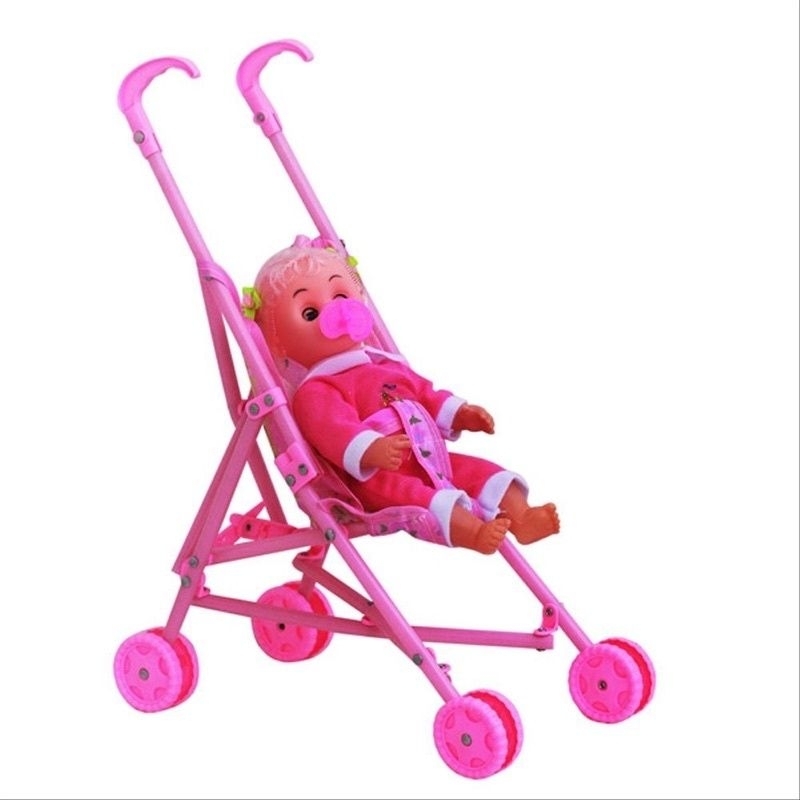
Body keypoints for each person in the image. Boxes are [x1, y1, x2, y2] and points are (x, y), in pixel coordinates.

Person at [249, 237, 559, 555]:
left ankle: (522, 516)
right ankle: (474, 533)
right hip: (375, 479)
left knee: (483, 472)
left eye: (340, 295)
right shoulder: (317, 390)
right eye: (310, 313)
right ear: (278, 344)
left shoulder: (384, 365)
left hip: (430, 459)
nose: (336, 312)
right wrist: (371, 450)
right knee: (422, 498)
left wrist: (460, 414)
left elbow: (425, 393)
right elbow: (334, 431)